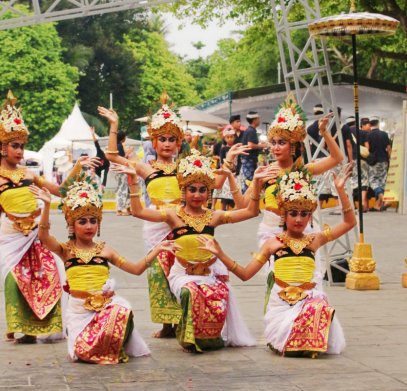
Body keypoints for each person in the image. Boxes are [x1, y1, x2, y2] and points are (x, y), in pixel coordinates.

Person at [0, 91, 98, 343]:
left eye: (22, 145)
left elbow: (61, 191)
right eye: (15, 146)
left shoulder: (31, 175)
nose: (20, 151)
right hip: (11, 237)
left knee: (47, 277)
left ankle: (35, 331)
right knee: (14, 281)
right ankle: (20, 326)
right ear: (1, 147)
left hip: (36, 234)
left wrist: (78, 167)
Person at [113, 145, 279, 353]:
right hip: (182, 275)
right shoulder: (172, 214)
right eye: (192, 189)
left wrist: (255, 182)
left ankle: (210, 337)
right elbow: (137, 212)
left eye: (203, 190)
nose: (197, 195)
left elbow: (251, 212)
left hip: (210, 274)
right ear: (183, 191)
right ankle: (186, 336)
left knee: (218, 293)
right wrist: (133, 182)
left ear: (208, 192)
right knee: (191, 292)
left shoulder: (214, 216)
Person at [102, 92, 234, 339]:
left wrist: (228, 168)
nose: (166, 143)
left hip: (185, 222)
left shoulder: (187, 166)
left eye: (171, 139)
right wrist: (114, 126)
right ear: (153, 141)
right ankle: (166, 324)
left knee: (185, 269)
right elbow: (111, 155)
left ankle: (186, 318)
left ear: (179, 142)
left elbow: (212, 184)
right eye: (161, 138)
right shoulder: (145, 167)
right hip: (155, 225)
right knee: (158, 274)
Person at [197, 164, 354, 358]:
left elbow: (349, 223)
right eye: (293, 213)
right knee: (314, 309)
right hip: (281, 307)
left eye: (304, 214)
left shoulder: (315, 240)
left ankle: (303, 341)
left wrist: (340, 190)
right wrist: (220, 253)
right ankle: (294, 341)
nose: (299, 219)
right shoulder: (273, 244)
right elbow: (245, 274)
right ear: (283, 214)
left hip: (307, 301)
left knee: (319, 304)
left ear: (310, 216)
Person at [30, 173, 180, 364]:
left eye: (93, 220)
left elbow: (135, 269)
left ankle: (108, 347)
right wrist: (47, 207)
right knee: (82, 351)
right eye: (82, 221)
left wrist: (157, 249)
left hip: (105, 308)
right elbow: (43, 236)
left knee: (120, 310)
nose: (89, 226)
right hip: (78, 313)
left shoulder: (106, 251)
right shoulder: (65, 250)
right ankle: (99, 348)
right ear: (72, 225)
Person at [234, 93, 343, 275]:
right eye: (273, 143)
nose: (275, 148)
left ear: (294, 145)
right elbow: (242, 206)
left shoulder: (304, 170)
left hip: (301, 230)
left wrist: (324, 133)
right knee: (280, 280)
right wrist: (255, 182)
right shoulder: (265, 172)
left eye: (282, 143)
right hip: (271, 234)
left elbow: (337, 158)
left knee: (304, 280)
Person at [239, 111, 269, 193]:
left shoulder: (249, 130)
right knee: (250, 183)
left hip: (249, 160)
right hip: (249, 160)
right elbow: (250, 145)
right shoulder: (251, 131)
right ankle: (246, 202)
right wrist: (261, 146)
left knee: (249, 182)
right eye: (258, 119)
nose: (259, 121)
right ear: (254, 120)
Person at [367, 116, 391, 212]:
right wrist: (391, 159)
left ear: (370, 124)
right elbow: (388, 148)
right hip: (384, 160)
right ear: (378, 123)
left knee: (373, 181)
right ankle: (379, 205)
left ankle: (384, 199)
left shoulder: (368, 135)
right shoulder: (384, 134)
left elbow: (367, 149)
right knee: (383, 181)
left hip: (374, 161)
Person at [348, 116, 370, 212]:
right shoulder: (362, 132)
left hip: (351, 159)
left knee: (351, 181)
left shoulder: (346, 132)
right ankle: (363, 202)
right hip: (361, 159)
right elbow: (367, 146)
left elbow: (347, 145)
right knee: (363, 180)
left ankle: (352, 204)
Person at [219, 129, 238, 211]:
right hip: (226, 172)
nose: (230, 139)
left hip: (235, 173)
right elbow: (221, 160)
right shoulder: (223, 149)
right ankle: (222, 209)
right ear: (225, 138)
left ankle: (231, 207)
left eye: (231, 137)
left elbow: (240, 161)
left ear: (234, 137)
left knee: (233, 190)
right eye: (228, 137)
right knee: (225, 190)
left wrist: (237, 171)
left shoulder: (236, 148)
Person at [90, 126, 109, 193]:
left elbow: (105, 174)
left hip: (98, 174)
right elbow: (96, 144)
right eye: (107, 150)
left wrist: (103, 184)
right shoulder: (101, 153)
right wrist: (93, 134)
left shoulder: (107, 163)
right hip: (91, 169)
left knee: (98, 189)